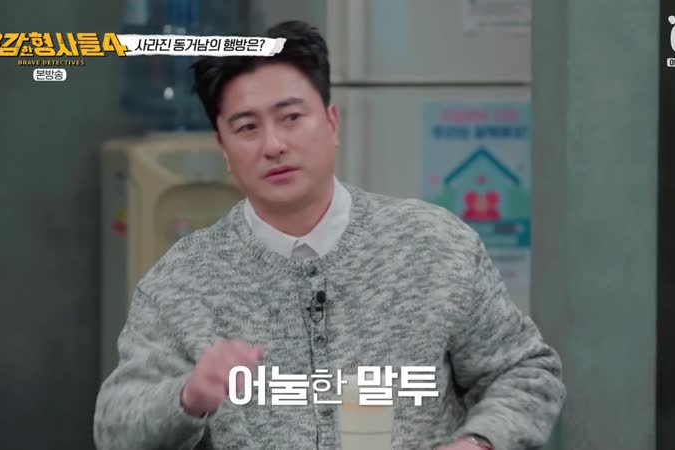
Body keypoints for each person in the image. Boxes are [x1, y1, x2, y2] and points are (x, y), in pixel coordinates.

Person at [94, 20, 566, 450]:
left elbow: (525, 371)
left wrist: (481, 442)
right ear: (223, 148)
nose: (273, 145)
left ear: (332, 123)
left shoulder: (436, 245)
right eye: (247, 127)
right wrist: (188, 395)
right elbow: (115, 429)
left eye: (291, 117)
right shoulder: (181, 281)